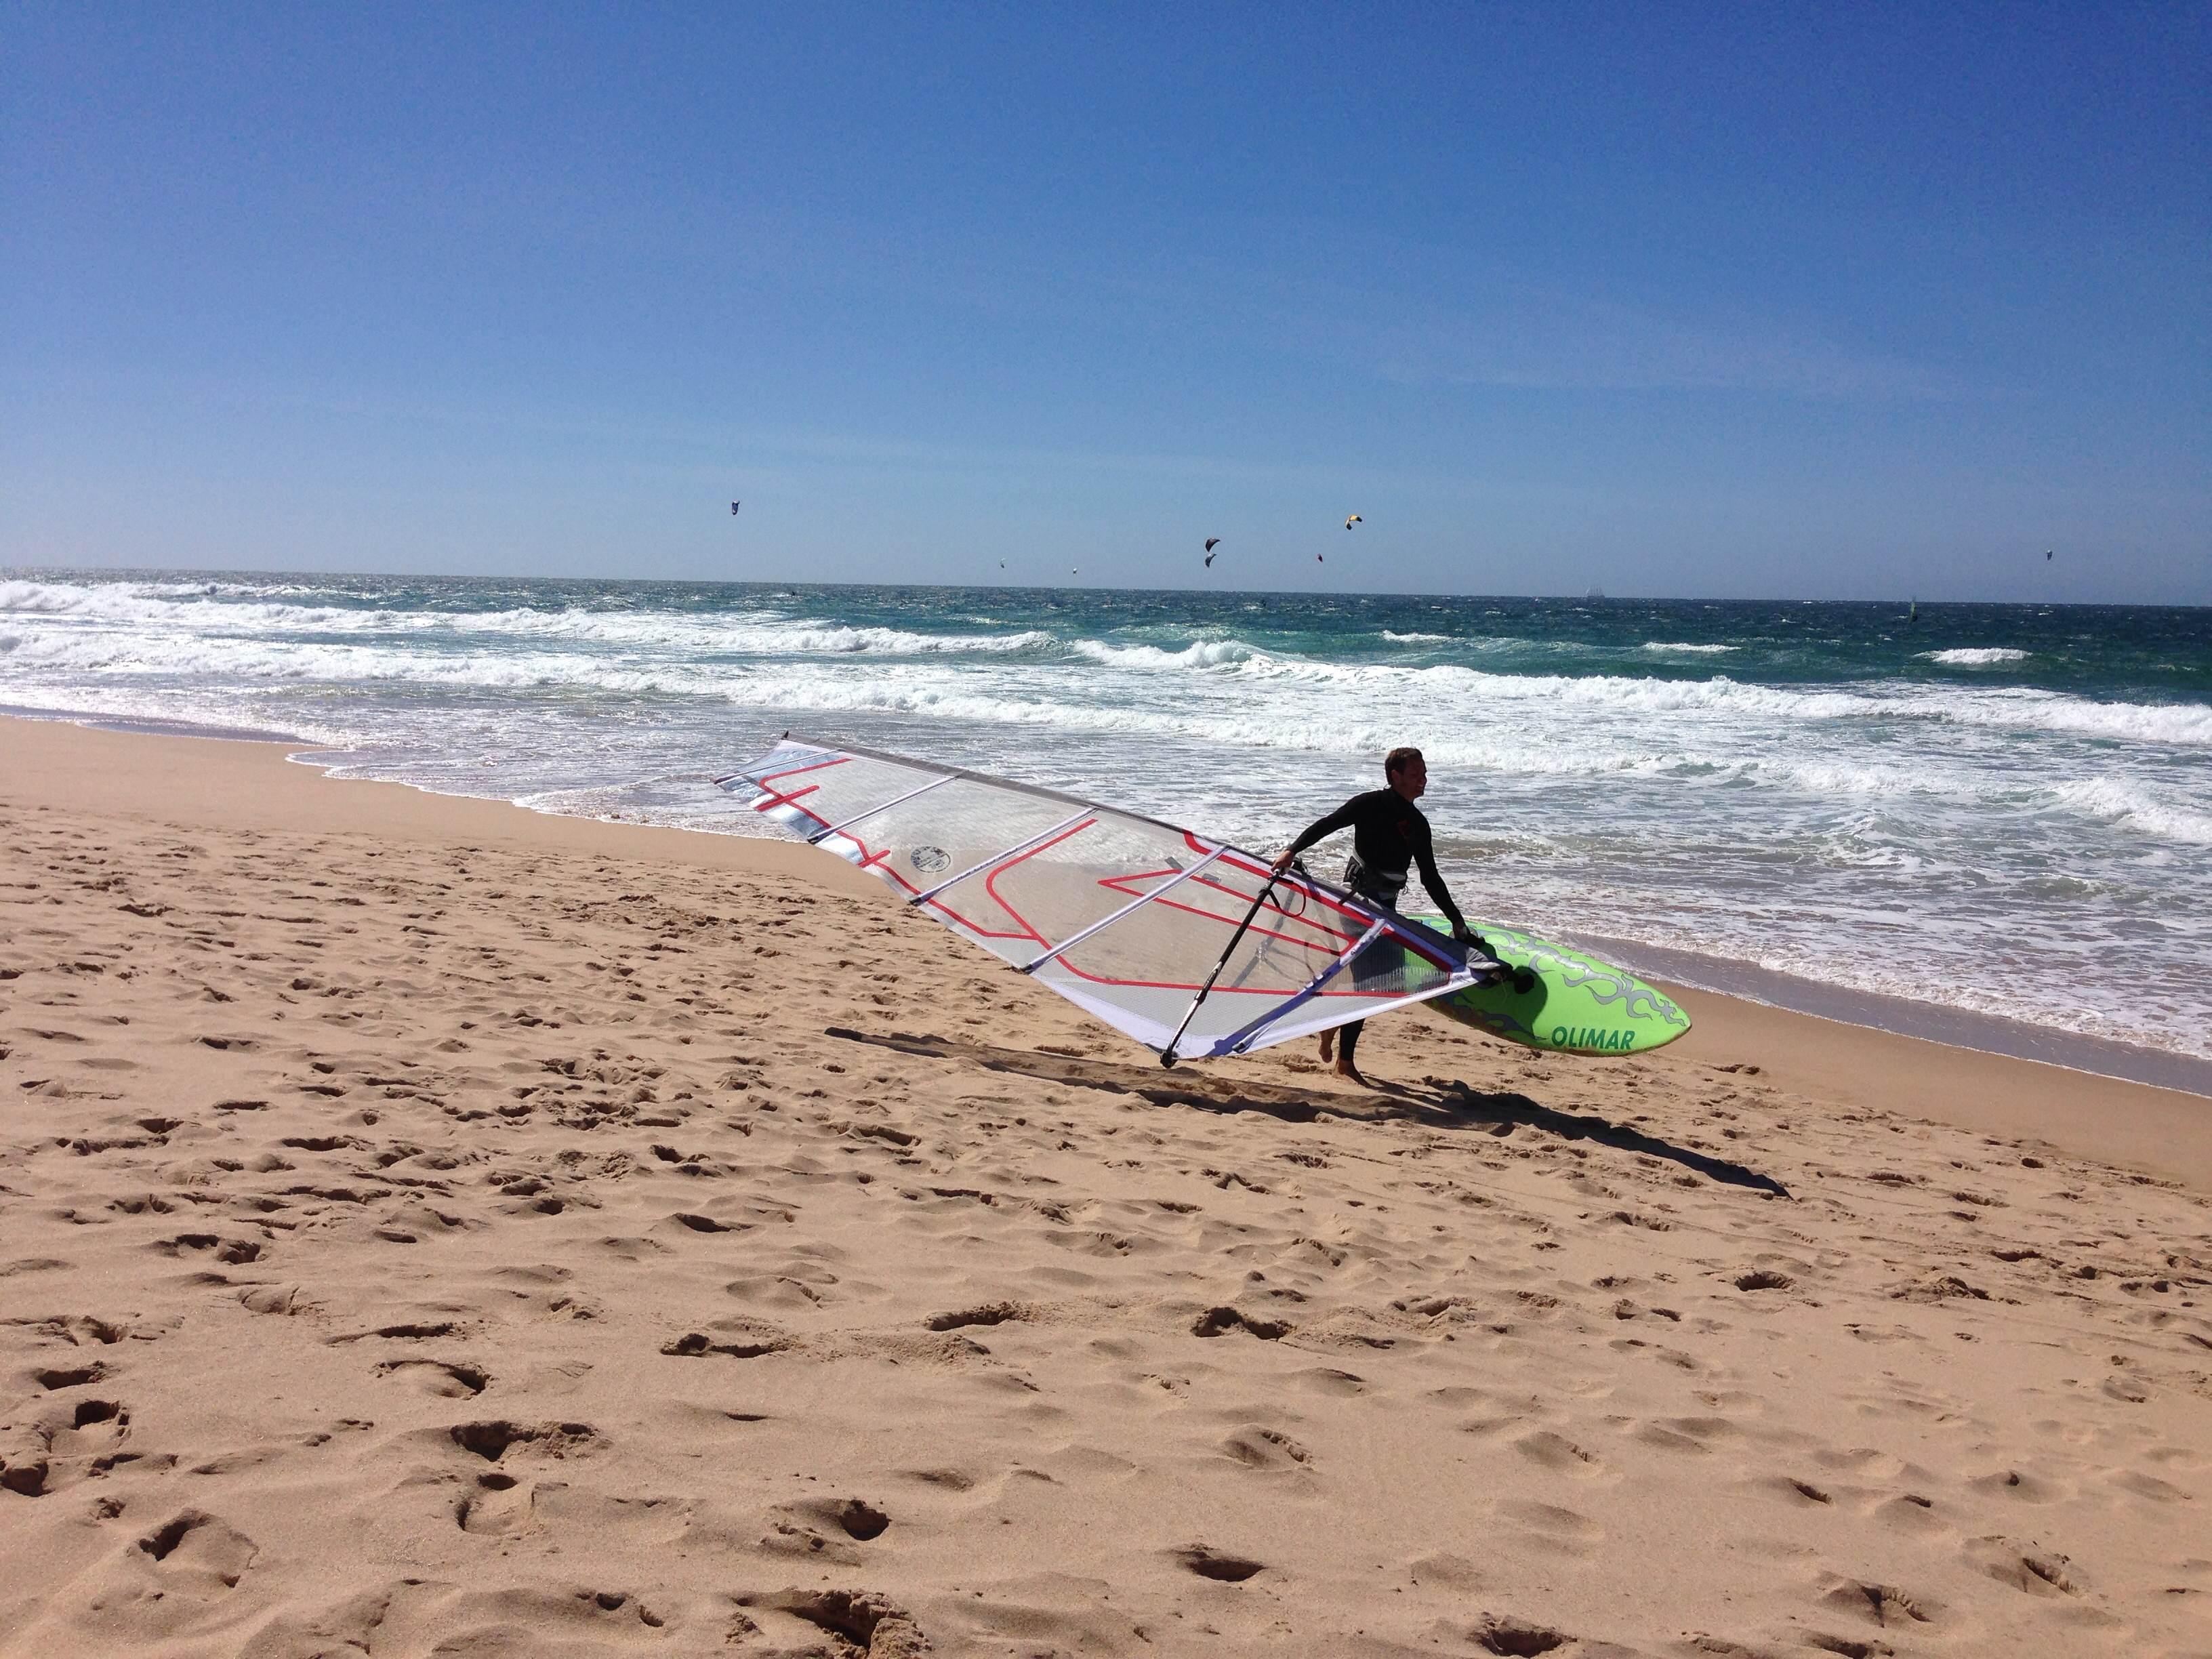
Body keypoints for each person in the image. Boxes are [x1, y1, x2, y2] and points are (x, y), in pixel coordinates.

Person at [1271, 747, 1492, 1084]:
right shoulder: (1370, 804)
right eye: (1416, 774)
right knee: (1371, 979)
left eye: (1425, 773)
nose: (1424, 780)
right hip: (1358, 902)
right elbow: (1329, 824)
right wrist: (1292, 850)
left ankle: (1331, 1028)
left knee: (1379, 981)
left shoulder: (1418, 824)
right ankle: (1344, 1063)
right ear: (1396, 776)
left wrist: (1456, 920)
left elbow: (1429, 876)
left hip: (1386, 908)